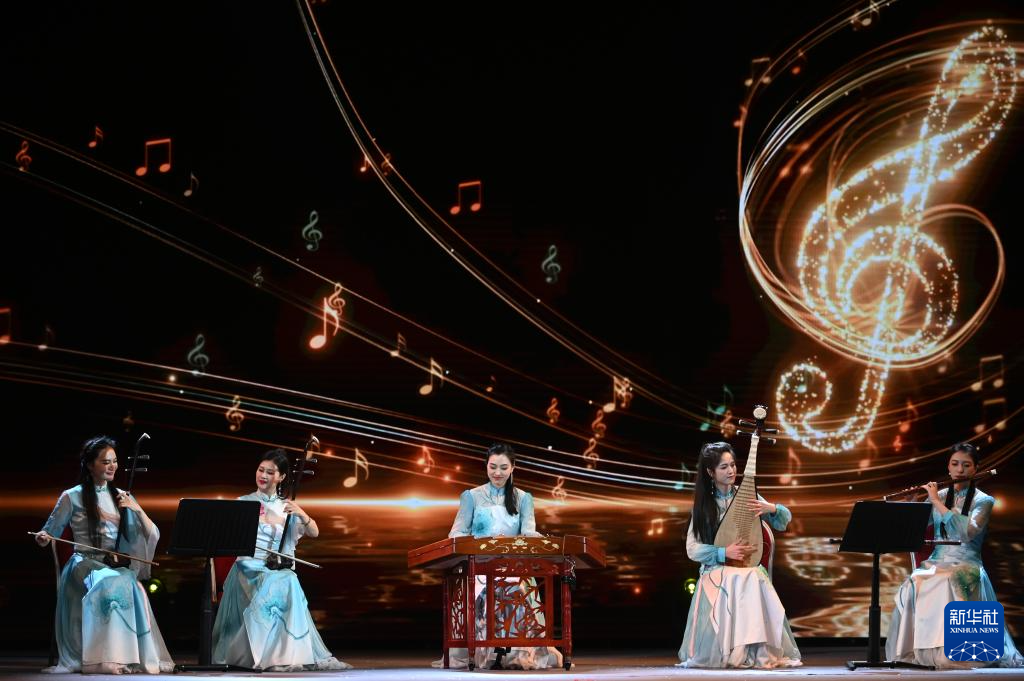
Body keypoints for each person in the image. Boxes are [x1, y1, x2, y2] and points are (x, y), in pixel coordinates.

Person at [35, 435, 174, 674]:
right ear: (90, 465)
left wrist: (136, 509)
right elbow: (49, 532)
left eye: (115, 461)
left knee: (130, 582)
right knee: (109, 581)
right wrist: (43, 537)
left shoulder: (121, 496)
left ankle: (126, 656)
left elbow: (152, 533)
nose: (112, 466)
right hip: (83, 563)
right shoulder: (71, 496)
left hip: (112, 564)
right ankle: (102, 658)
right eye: (105, 462)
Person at [212, 448, 350, 671]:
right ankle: (267, 656)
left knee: (287, 579)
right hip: (248, 567)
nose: (263, 476)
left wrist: (301, 513)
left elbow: (314, 532)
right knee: (285, 581)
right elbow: (227, 536)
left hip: (274, 568)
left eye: (270, 472)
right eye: (261, 470)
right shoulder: (243, 502)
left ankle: (283, 656)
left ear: (282, 477)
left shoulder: (286, 506)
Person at [886, 442, 1023, 668]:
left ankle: (958, 653)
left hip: (967, 563)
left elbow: (967, 532)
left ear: (976, 468)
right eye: (955, 464)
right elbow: (914, 529)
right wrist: (912, 504)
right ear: (948, 467)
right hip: (936, 562)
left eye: (966, 465)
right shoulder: (939, 494)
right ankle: (922, 650)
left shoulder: (984, 501)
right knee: (914, 581)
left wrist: (936, 502)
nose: (960, 470)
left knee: (950, 580)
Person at [433, 443, 562, 670]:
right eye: (493, 467)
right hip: (479, 567)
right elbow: (456, 533)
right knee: (485, 588)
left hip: (514, 566)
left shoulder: (523, 498)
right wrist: (482, 542)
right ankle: (484, 651)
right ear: (486, 466)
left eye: (503, 467)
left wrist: (540, 541)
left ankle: (515, 652)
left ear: (513, 468)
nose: (497, 473)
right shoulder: (471, 496)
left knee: (516, 587)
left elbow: (528, 533)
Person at [677, 441, 801, 668]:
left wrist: (772, 509)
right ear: (710, 472)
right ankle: (729, 652)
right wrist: (723, 552)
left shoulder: (747, 496)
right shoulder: (704, 505)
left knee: (753, 576)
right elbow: (692, 549)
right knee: (736, 577)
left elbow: (783, 522)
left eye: (733, 465)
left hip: (747, 570)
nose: (731, 471)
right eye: (723, 467)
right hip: (718, 571)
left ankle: (755, 652)